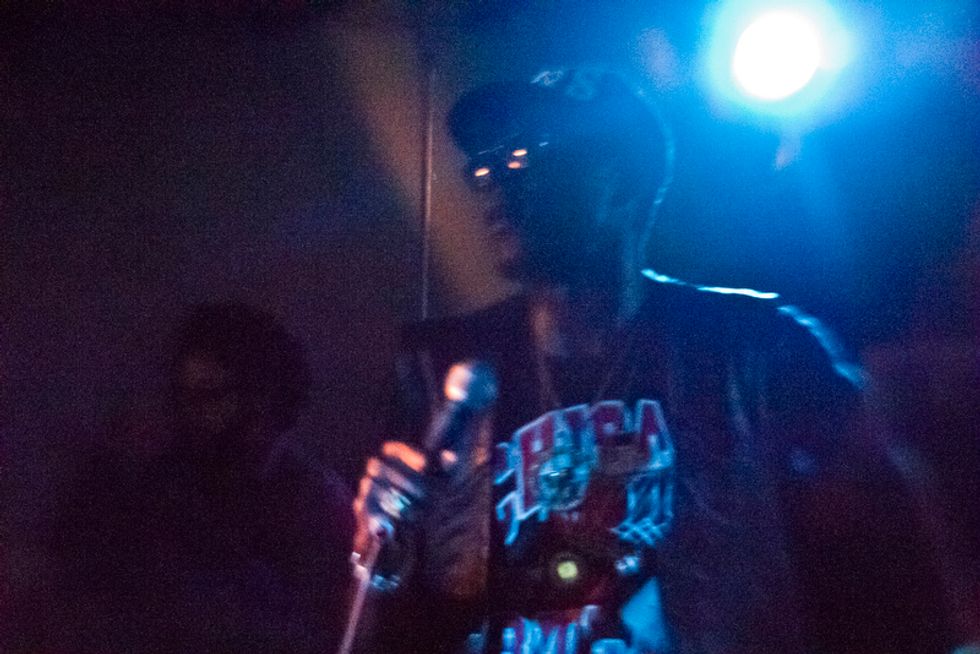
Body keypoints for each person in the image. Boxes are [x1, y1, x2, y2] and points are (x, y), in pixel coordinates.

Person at [352, 68, 974, 653]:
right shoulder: (443, 369)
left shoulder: (753, 351)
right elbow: (405, 617)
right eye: (485, 168)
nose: (498, 185)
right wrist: (385, 561)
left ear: (622, 182)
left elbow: (896, 558)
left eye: (528, 157)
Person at [44, 302, 354, 653]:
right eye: (183, 396)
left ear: (261, 399)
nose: (188, 413)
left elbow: (313, 631)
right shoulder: (165, 482)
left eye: (207, 396)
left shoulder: (317, 504)